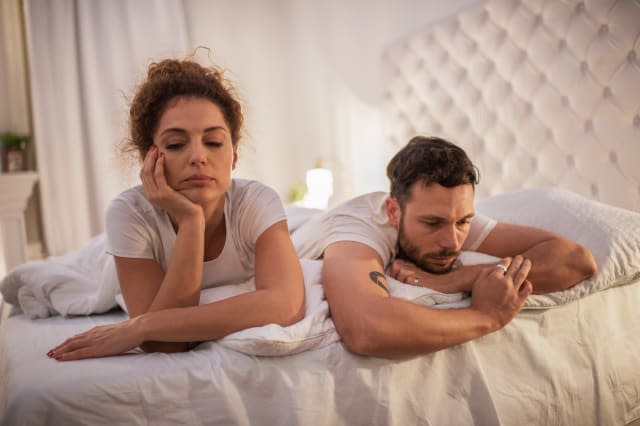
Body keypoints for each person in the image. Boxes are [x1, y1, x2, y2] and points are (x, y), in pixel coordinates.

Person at [48, 58, 305, 361]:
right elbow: (165, 345)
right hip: (105, 268)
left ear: (234, 156)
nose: (198, 156)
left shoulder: (255, 201)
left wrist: (140, 326)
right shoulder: (129, 213)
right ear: (149, 158)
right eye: (175, 145)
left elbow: (286, 304)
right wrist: (191, 221)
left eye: (212, 142)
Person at [292, 136, 597, 358]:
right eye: (432, 224)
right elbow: (365, 329)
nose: (452, 242)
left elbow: (577, 260)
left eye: (464, 221)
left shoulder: (449, 216)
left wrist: (457, 279)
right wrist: (486, 316)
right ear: (394, 211)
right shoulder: (358, 227)